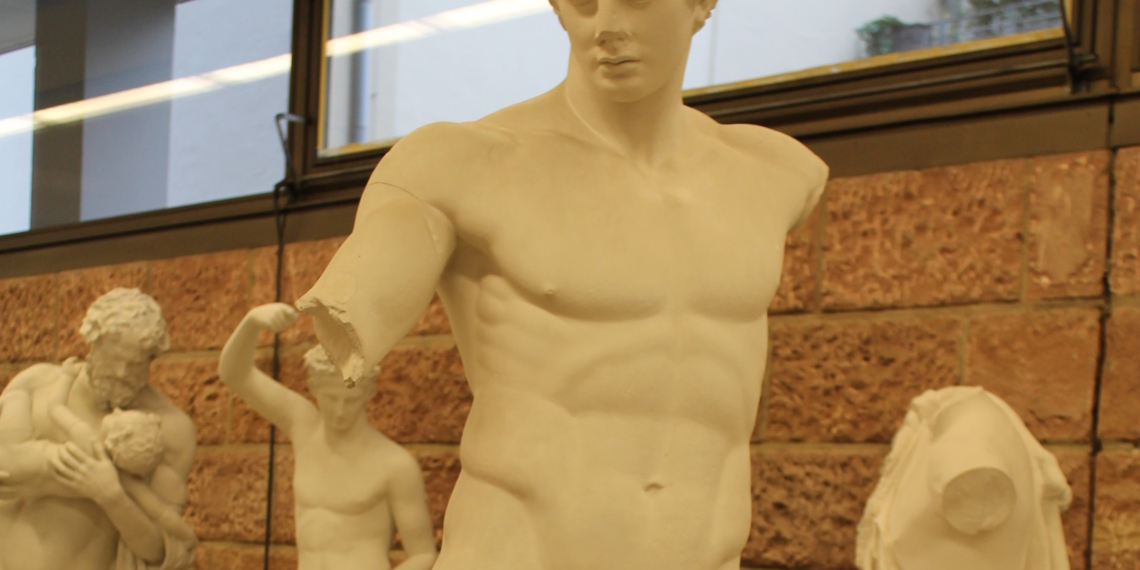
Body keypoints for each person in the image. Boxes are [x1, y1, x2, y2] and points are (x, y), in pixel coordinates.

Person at [296, 0, 829, 569]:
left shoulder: (774, 173)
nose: (606, 28)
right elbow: (353, 310)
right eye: (582, 3)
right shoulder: (460, 166)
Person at [218, 303, 437, 570]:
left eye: (351, 400)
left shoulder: (395, 465)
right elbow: (235, 375)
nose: (340, 411)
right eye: (331, 399)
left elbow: (423, 554)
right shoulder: (303, 426)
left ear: (368, 393)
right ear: (313, 389)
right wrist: (251, 323)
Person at [0, 288, 197, 570]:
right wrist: (77, 478)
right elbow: (4, 471)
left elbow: (166, 549)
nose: (121, 373)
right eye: (113, 359)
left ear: (151, 359)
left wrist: (111, 496)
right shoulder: (37, 383)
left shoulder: (170, 429)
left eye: (134, 365)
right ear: (92, 344)